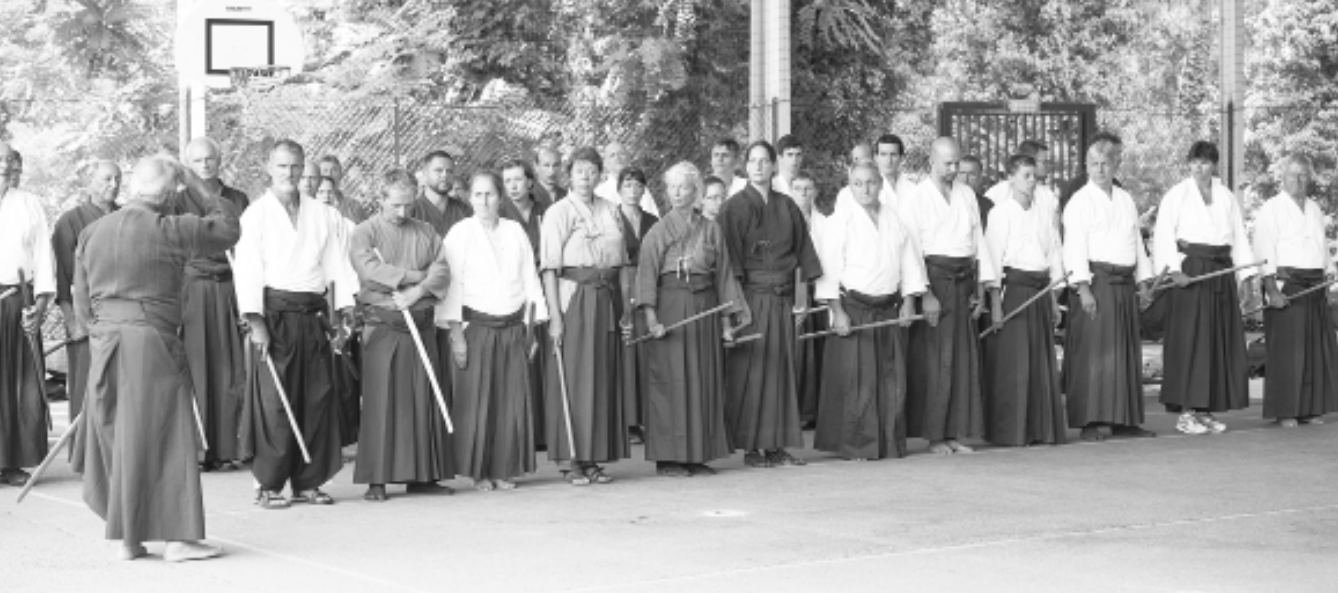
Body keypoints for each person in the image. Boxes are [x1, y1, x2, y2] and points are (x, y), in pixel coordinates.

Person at [73, 155, 239, 562]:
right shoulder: (171, 227)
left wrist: (101, 332)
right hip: (151, 340)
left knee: (120, 434)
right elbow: (230, 226)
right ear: (169, 195)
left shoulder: (93, 231)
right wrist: (199, 184)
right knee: (165, 434)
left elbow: (80, 297)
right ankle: (178, 539)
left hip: (106, 342)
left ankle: (128, 538)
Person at [234, 140, 359, 508]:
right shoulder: (255, 215)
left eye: (296, 167)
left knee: (317, 397)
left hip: (314, 314)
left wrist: (343, 314)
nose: (290, 174)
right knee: (276, 402)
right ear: (269, 168)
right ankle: (269, 485)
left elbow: (338, 267)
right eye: (283, 167)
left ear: (306, 169)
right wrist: (255, 323)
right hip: (273, 315)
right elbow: (248, 272)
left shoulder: (324, 214)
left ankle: (308, 481)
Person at [348, 169, 455, 501]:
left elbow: (442, 269)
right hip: (384, 326)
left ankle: (422, 475)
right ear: (381, 199)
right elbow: (370, 271)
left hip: (420, 323)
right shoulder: (364, 232)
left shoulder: (426, 230)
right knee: (382, 401)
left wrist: (417, 289)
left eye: (409, 205)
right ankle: (376, 478)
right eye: (396, 205)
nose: (403, 213)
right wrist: (413, 276)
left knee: (423, 400)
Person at [634, 162, 746, 476]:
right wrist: (652, 319)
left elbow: (723, 277)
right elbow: (646, 278)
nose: (678, 193)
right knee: (672, 382)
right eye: (672, 187)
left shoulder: (711, 229)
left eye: (685, 187)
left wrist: (726, 323)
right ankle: (669, 457)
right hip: (671, 310)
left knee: (702, 380)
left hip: (705, 309)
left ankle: (698, 454)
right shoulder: (658, 231)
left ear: (696, 191)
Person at [717, 140, 823, 468]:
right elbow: (728, 264)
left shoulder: (787, 205)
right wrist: (735, 310)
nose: (760, 167)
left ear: (774, 166)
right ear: (745, 167)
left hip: (783, 299)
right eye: (754, 161)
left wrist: (801, 302)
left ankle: (776, 446)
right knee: (752, 372)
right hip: (750, 298)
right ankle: (751, 448)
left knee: (781, 371)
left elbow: (804, 255)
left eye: (765, 161)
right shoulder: (734, 207)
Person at [443, 171, 550, 490]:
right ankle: (480, 472)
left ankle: (505, 469)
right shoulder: (460, 233)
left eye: (490, 194)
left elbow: (530, 280)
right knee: (477, 402)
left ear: (500, 197)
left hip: (514, 326)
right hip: (476, 327)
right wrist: (456, 335)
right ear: (470, 198)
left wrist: (532, 331)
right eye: (478, 195)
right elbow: (451, 287)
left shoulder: (514, 230)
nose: (485, 201)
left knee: (510, 400)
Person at [815, 163, 926, 460]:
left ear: (880, 184)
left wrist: (909, 301)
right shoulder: (840, 221)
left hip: (889, 307)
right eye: (858, 184)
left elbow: (909, 264)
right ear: (850, 187)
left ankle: (888, 442)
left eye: (870, 183)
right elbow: (828, 272)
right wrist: (837, 312)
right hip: (854, 308)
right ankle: (857, 445)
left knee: (892, 378)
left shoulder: (894, 218)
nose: (865, 189)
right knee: (858, 381)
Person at [1153, 141, 1259, 435]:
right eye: (1194, 162)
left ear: (1214, 165)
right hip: (1192, 271)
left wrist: (1246, 279)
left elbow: (1239, 238)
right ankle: (1187, 412)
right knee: (1190, 341)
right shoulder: (1177, 195)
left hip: (1221, 270)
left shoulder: (1226, 196)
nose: (1199, 167)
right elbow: (1163, 235)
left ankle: (1205, 409)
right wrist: (1174, 270)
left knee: (1215, 342)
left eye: (1204, 162)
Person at [901, 137, 999, 455]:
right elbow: (911, 251)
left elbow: (978, 244)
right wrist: (924, 294)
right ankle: (935, 435)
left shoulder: (967, 194)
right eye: (947, 163)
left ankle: (955, 431)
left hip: (963, 282)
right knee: (935, 362)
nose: (954, 169)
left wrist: (981, 291)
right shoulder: (916, 198)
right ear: (932, 160)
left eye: (957, 163)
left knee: (960, 360)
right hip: (935, 281)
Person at [540, 146, 628, 485]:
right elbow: (549, 268)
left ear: (600, 175)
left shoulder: (611, 210)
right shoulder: (558, 212)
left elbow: (621, 264)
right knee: (575, 376)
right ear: (569, 175)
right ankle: (570, 459)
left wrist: (625, 309)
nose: (586, 177)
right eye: (579, 171)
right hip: (574, 298)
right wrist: (555, 318)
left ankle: (592, 456)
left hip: (606, 298)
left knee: (600, 378)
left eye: (592, 171)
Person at [1062, 139, 1157, 442]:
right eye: (1094, 164)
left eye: (1105, 163)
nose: (1100, 169)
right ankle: (1089, 420)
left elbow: (1136, 245)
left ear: (1116, 164)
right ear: (1086, 167)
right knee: (1094, 353)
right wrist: (1082, 289)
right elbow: (1073, 246)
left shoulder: (1126, 199)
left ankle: (1124, 419)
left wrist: (1144, 283)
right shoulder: (1080, 201)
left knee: (1125, 353)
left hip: (1124, 282)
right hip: (1096, 281)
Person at [176, 138, 252, 472]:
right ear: (187, 164)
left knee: (231, 367)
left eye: (210, 158)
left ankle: (230, 447)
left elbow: (249, 249)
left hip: (231, 285)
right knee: (197, 365)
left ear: (220, 159)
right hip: (194, 287)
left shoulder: (237, 199)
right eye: (197, 160)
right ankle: (200, 450)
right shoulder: (178, 201)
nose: (205, 164)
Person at [981, 155, 1067, 447]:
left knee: (1040, 362)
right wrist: (995, 305)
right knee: (1014, 363)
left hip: (1041, 290)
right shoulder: (999, 213)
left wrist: (1054, 301)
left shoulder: (1044, 213)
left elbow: (1054, 255)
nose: (1032, 181)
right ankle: (1011, 430)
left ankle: (1040, 428)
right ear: (1011, 178)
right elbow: (992, 258)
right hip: (1014, 290)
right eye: (1026, 175)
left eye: (1034, 176)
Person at [1252, 155, 1338, 427]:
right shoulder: (1271, 208)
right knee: (1289, 351)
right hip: (1286, 285)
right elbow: (1264, 251)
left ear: (1309, 178)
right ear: (1284, 177)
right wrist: (1271, 291)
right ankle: (1286, 410)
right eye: (1293, 175)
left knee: (1314, 350)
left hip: (1315, 284)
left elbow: (1322, 248)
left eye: (1303, 175)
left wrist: (1327, 281)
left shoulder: (1314, 208)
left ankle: (1310, 408)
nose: (1298, 180)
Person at [0, 142, 54, 487]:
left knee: (16, 384)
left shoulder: (28, 204)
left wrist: (41, 304)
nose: (2, 165)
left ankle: (10, 462)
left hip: (14, 299)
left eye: (7, 160)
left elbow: (43, 257)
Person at [52, 160, 120, 426]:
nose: (113, 185)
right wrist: (72, 321)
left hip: (121, 313)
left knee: (118, 384)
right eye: (106, 179)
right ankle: (85, 451)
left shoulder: (127, 215)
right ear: (89, 182)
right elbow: (62, 278)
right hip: (85, 314)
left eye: (117, 178)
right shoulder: (69, 221)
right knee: (86, 383)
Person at [498, 158, 550, 449]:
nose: (513, 186)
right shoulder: (501, 214)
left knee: (541, 360)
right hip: (515, 297)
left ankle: (543, 430)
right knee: (519, 362)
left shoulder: (546, 211)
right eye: (507, 181)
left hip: (544, 291)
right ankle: (521, 430)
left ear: (530, 181)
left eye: (518, 179)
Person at [615, 167, 659, 443]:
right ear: (619, 188)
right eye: (627, 184)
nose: (632, 189)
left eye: (638, 185)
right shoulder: (610, 217)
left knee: (646, 350)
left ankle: (647, 416)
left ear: (644, 190)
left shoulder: (653, 220)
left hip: (647, 283)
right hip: (620, 283)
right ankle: (627, 420)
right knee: (625, 349)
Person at [790, 172, 827, 427]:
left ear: (815, 192)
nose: (803, 193)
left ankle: (814, 412)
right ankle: (795, 411)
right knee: (797, 352)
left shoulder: (825, 223)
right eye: (798, 188)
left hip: (820, 290)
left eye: (808, 188)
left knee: (818, 352)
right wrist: (798, 298)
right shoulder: (785, 222)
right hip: (794, 291)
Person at [984, 140, 1059, 224]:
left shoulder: (1047, 195)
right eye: (1044, 162)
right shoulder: (997, 193)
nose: (1048, 166)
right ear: (1030, 160)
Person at [408, 151, 473, 238]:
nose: (445, 175)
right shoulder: (411, 210)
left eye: (450, 171)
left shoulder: (464, 211)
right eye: (438, 170)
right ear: (425, 173)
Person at [1060, 131, 1124, 214]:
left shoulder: (1117, 187)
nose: (1120, 158)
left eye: (1120, 153)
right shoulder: (1075, 189)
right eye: (1116, 153)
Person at [318, 156, 370, 224]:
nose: (329, 174)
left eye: (334, 170)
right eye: (325, 170)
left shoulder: (354, 207)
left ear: (341, 175)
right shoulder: (307, 206)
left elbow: (366, 232)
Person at [958, 155, 993, 229]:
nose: (965, 179)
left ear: (980, 178)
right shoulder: (944, 202)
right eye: (962, 173)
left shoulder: (987, 206)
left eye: (971, 174)